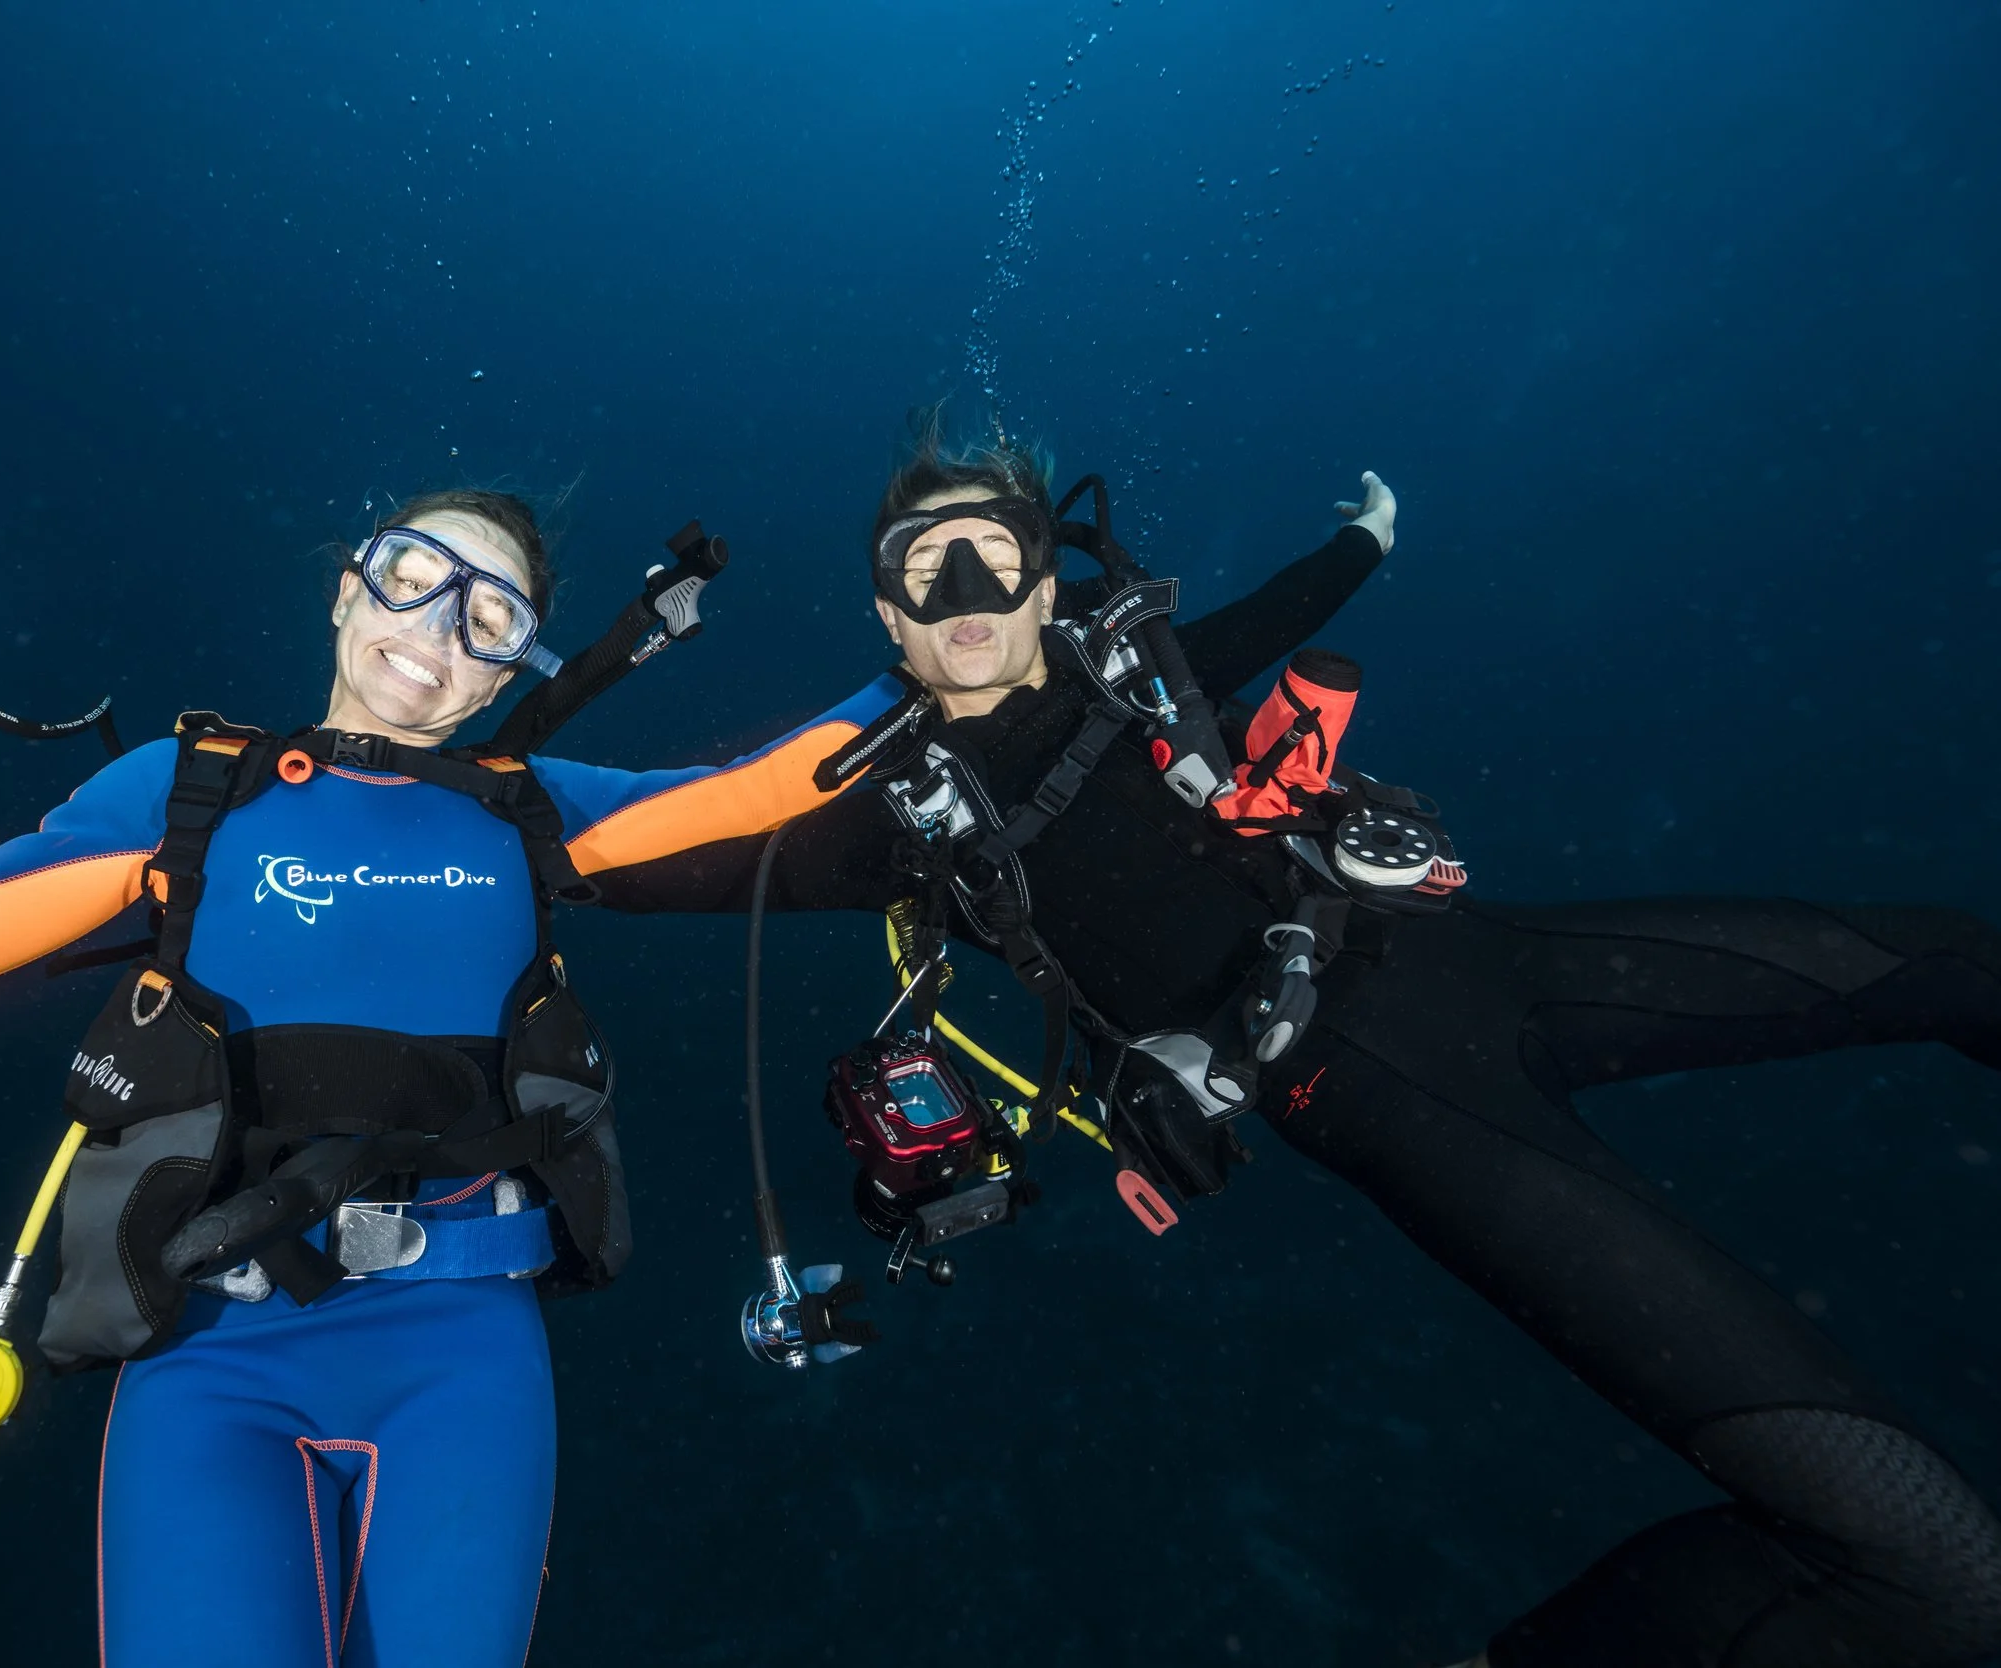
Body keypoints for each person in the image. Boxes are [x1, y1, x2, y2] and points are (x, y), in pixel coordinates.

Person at [575, 425, 2001, 1667]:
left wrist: (1364, 539)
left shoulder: (1143, 671)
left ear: (1047, 574)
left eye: (994, 555)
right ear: (882, 613)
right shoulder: (889, 817)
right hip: (1375, 1095)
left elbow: (1278, 609)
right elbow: (638, 859)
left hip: (1487, 960)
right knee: (1933, 1576)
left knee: (1955, 963)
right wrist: (435, 812)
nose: (962, 595)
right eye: (920, 566)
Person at [0, 486, 821, 1666]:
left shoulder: (529, 811)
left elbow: (769, 789)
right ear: (346, 590)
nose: (437, 631)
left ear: (504, 675)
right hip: (208, 1356)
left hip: (462, 1355)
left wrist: (957, 644)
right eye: (410, 577)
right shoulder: (189, 792)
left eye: (491, 618)